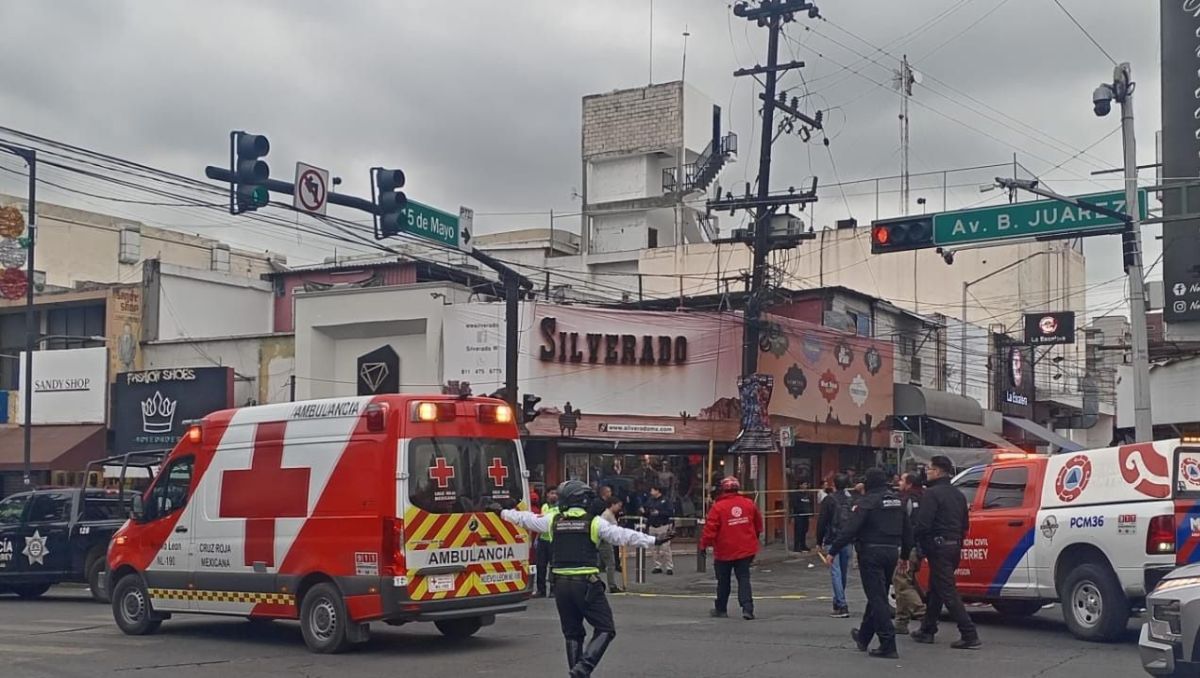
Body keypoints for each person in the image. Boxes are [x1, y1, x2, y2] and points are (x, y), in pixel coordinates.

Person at [499, 480, 673, 678]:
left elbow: (526, 519)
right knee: (605, 628)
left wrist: (502, 512)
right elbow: (622, 535)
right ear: (582, 500)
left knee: (572, 634)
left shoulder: (553, 519)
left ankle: (577, 673)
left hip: (560, 585)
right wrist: (653, 540)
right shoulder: (594, 522)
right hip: (586, 583)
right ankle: (583, 668)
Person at [827, 467, 911, 659]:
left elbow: (851, 529)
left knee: (877, 598)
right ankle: (864, 636)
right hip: (892, 552)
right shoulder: (897, 500)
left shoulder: (867, 502)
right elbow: (907, 530)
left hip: (871, 553)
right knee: (878, 594)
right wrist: (905, 555)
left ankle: (888, 643)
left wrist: (834, 550)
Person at [911, 455, 981, 650]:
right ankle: (927, 629)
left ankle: (969, 633)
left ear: (937, 471)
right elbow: (965, 524)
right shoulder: (958, 495)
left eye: (929, 468)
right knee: (936, 588)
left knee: (947, 590)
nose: (927, 472)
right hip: (954, 546)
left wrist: (916, 543)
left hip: (938, 546)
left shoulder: (931, 494)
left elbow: (923, 524)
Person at [700, 476, 763, 620]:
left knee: (723, 581)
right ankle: (747, 608)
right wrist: (754, 540)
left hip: (724, 550)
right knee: (744, 578)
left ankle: (721, 609)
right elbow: (758, 525)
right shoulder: (748, 504)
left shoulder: (718, 507)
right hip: (745, 549)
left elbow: (710, 530)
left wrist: (703, 545)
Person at [816, 473, 854, 618]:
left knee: (835, 572)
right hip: (847, 539)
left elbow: (822, 521)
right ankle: (838, 601)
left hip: (832, 539)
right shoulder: (850, 500)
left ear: (834, 484)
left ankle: (841, 604)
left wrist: (819, 541)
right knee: (842, 572)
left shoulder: (829, 500)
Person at [893, 472, 927, 635]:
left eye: (902, 480)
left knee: (901, 582)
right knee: (904, 581)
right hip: (921, 546)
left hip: (908, 547)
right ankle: (901, 621)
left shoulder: (905, 500)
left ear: (909, 484)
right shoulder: (926, 498)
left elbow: (902, 525)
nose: (899, 483)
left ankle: (923, 613)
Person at [640, 485, 675, 575]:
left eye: (652, 490)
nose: (651, 492)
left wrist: (659, 513)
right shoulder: (650, 500)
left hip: (663, 525)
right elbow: (647, 512)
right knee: (654, 548)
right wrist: (644, 511)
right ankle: (657, 566)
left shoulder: (666, 501)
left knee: (665, 547)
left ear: (658, 491)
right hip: (652, 525)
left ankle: (669, 567)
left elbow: (670, 512)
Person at [537, 487, 560, 598]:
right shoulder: (544, 507)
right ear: (547, 495)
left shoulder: (559, 509)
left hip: (553, 540)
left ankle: (553, 590)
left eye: (555, 493)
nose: (554, 495)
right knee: (540, 566)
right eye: (551, 493)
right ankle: (541, 590)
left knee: (553, 566)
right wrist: (536, 538)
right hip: (543, 540)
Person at [598, 496, 624, 593]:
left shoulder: (609, 514)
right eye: (618, 505)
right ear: (612, 505)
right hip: (605, 542)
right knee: (610, 564)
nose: (619, 508)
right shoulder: (607, 515)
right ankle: (612, 585)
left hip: (605, 541)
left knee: (602, 565)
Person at [790, 481, 813, 552]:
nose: (806, 486)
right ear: (800, 485)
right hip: (799, 515)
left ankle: (803, 545)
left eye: (806, 484)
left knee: (804, 530)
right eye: (804, 484)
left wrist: (810, 513)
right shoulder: (796, 494)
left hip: (806, 515)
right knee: (798, 531)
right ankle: (796, 546)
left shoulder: (807, 494)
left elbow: (810, 503)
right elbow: (794, 504)